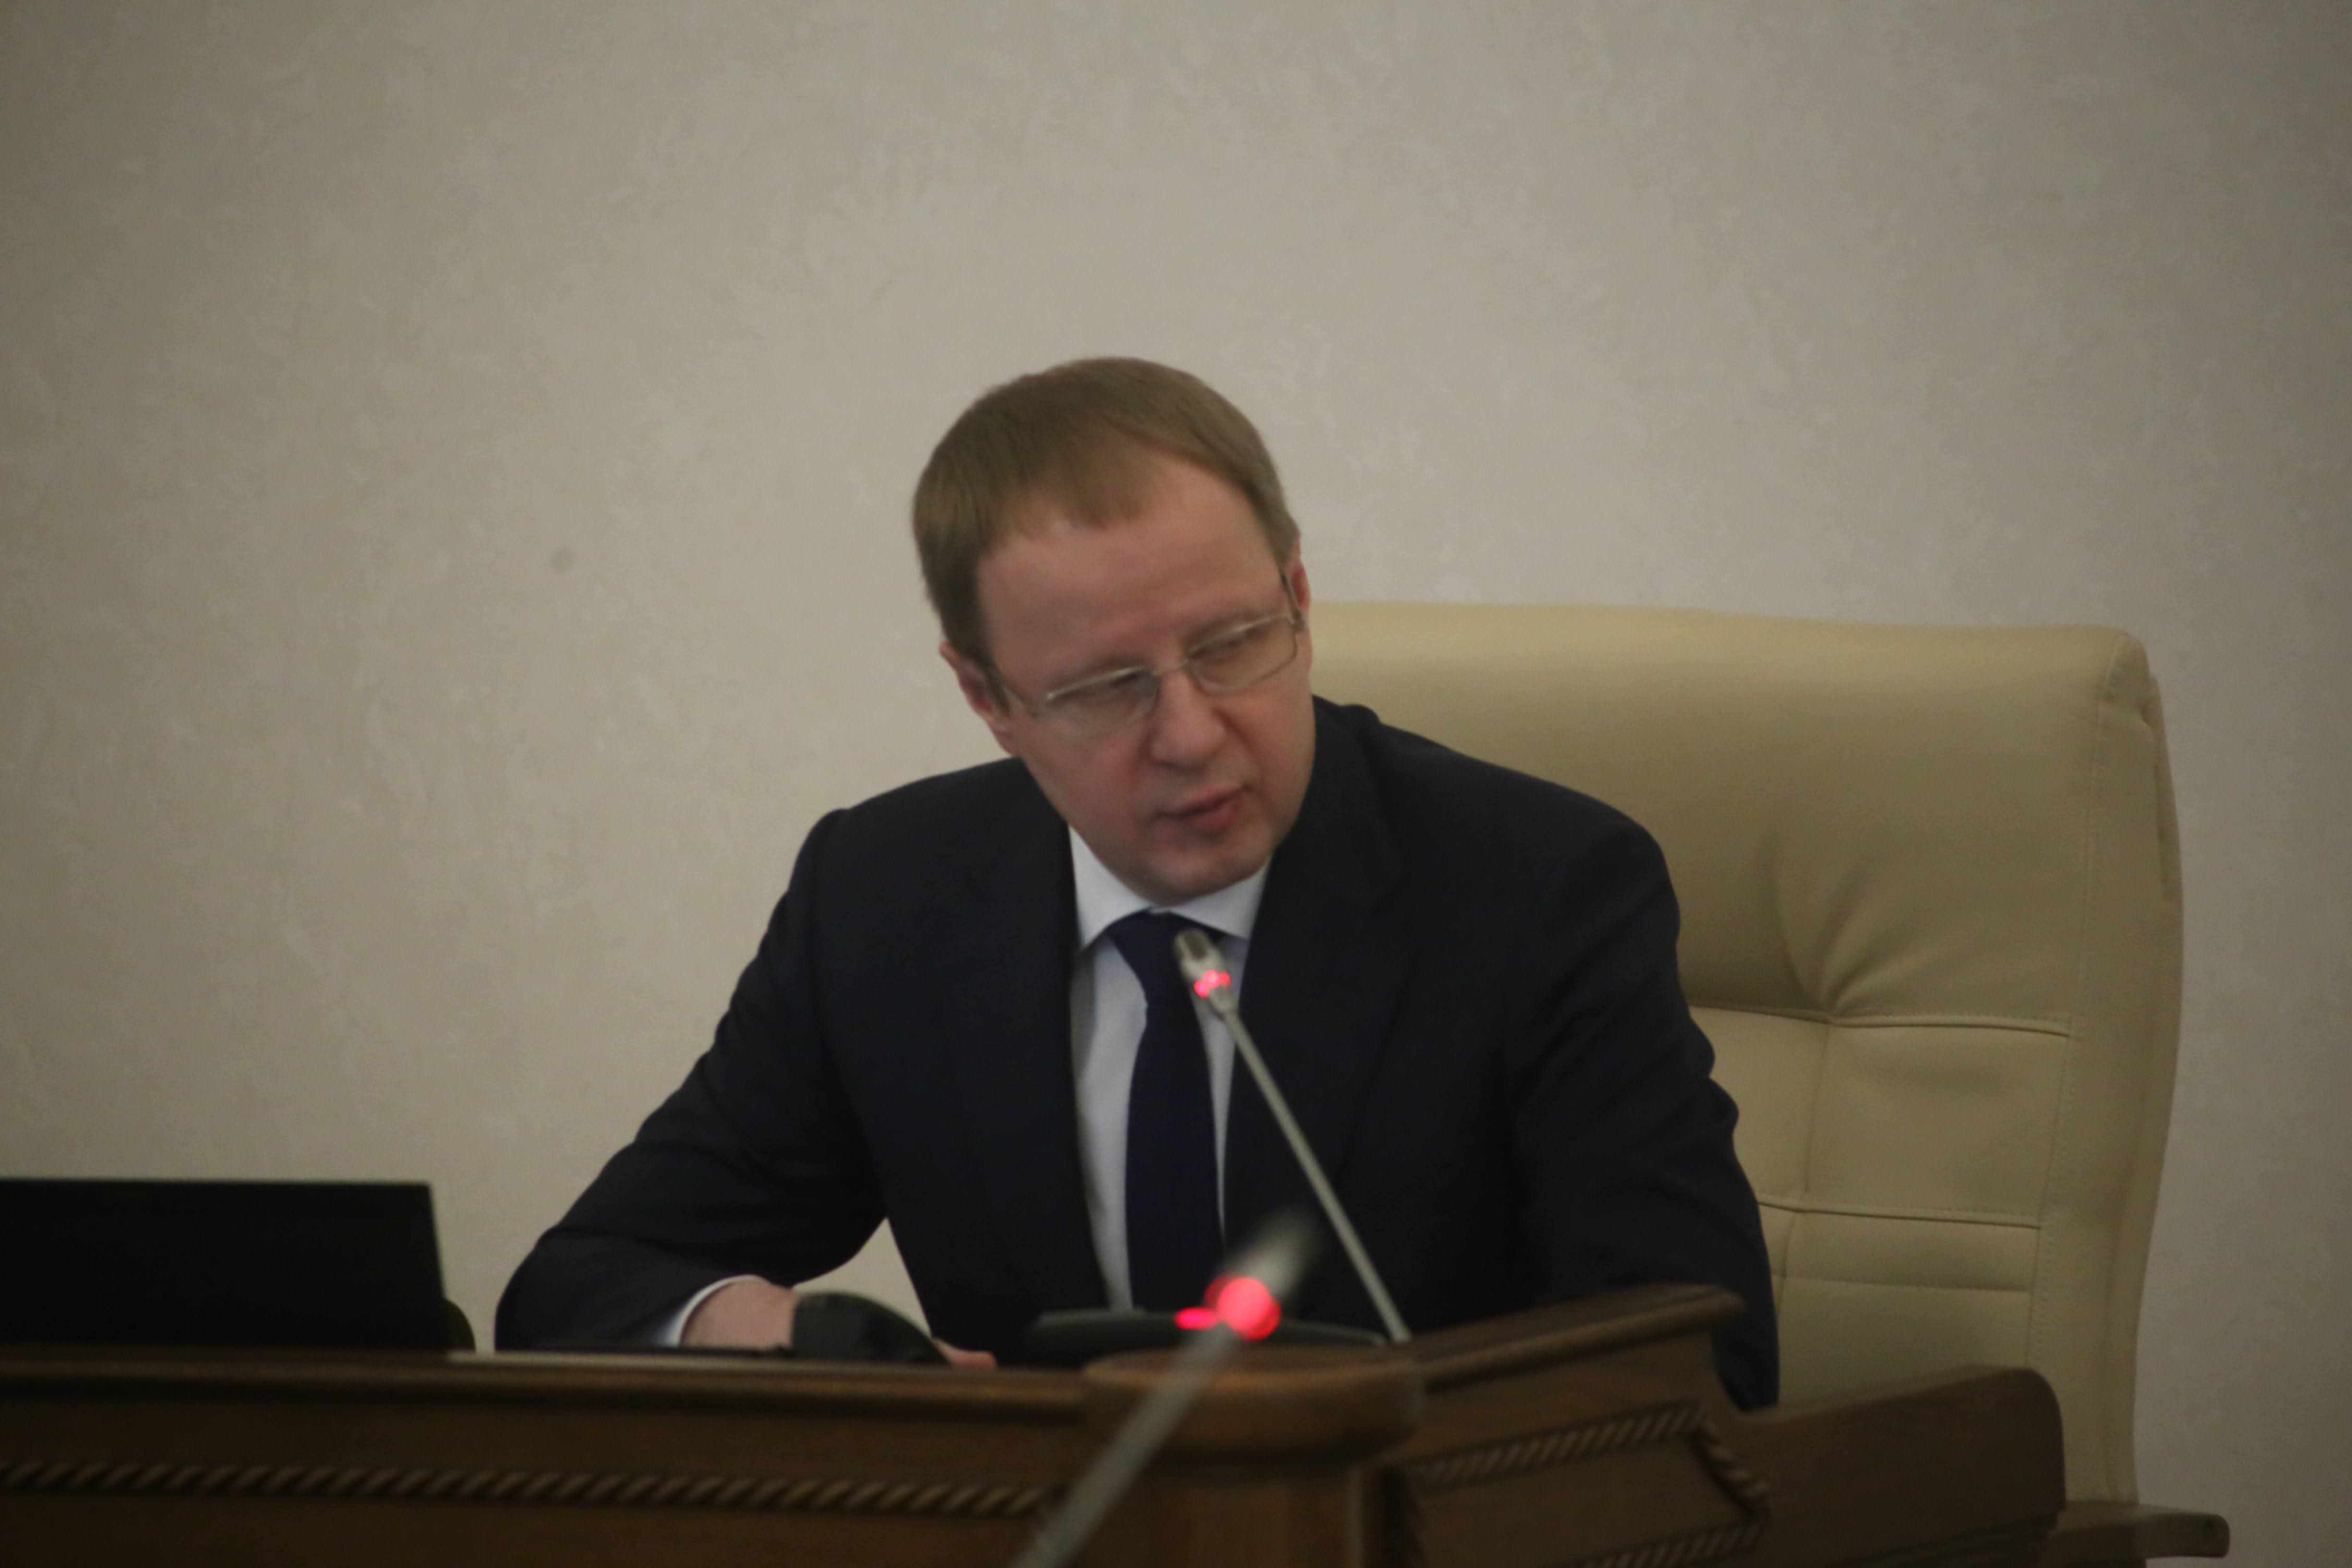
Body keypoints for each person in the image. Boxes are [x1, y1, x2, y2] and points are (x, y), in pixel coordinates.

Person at [497, 358, 1778, 1407]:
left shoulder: (1538, 888)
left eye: (1231, 644)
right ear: (987, 697)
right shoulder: (886, 900)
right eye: (1107, 688)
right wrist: (777, 1339)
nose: (1191, 732)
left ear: (1297, 596)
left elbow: (1697, 1355)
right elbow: (586, 1280)